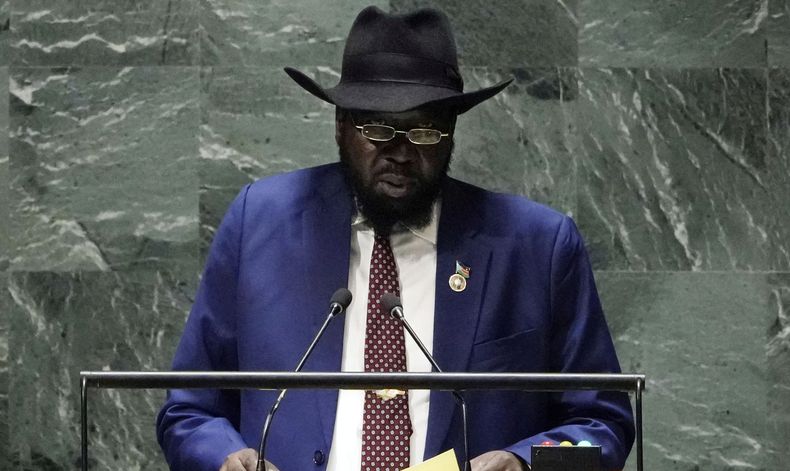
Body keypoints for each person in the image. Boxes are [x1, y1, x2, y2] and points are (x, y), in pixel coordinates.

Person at [157, 6, 634, 471]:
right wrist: (222, 456)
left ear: (451, 134)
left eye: (424, 131)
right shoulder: (259, 222)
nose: (401, 153)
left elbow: (604, 427)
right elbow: (187, 412)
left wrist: (525, 463)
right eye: (379, 129)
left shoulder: (536, 245)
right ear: (340, 127)